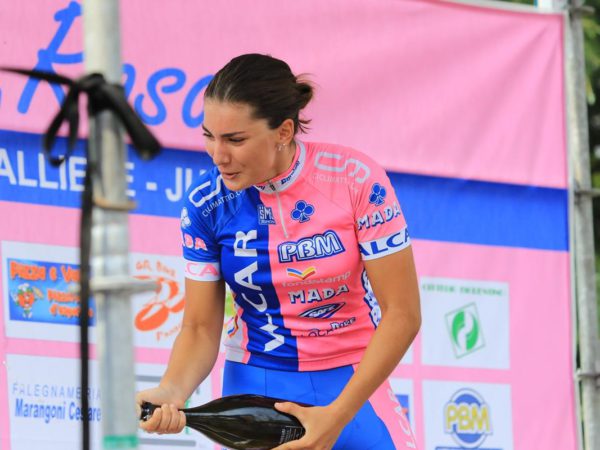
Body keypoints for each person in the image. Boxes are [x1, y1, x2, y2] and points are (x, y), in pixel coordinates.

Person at [136, 53, 421, 450]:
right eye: (209, 136)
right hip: (258, 381)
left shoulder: (355, 179)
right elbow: (200, 328)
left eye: (235, 139)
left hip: (352, 378)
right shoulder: (206, 203)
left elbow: (402, 314)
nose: (218, 155)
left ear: (284, 131)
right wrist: (171, 390)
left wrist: (336, 417)